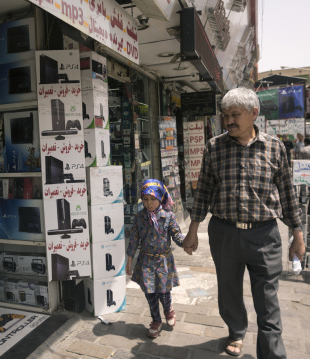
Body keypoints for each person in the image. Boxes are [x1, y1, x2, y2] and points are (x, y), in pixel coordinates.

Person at [183, 88, 305, 358]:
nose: (229, 121)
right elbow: (203, 190)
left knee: (268, 301)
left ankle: (272, 353)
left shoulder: (275, 147)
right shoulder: (214, 147)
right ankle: (236, 331)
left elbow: (287, 193)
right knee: (228, 292)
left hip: (264, 236)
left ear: (254, 114)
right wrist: (193, 230)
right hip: (224, 233)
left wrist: (297, 234)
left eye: (235, 115)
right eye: (225, 115)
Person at [126, 179, 188, 338]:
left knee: (164, 292)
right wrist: (129, 260)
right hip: (146, 261)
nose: (149, 203)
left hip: (163, 261)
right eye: (145, 199)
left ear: (160, 197)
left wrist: (187, 243)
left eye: (153, 199)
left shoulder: (168, 216)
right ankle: (156, 320)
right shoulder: (140, 217)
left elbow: (176, 235)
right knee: (149, 292)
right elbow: (134, 239)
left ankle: (168, 310)